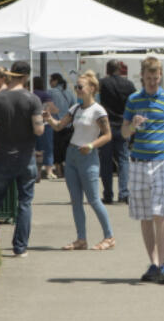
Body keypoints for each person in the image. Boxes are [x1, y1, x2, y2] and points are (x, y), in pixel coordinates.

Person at [122, 56, 164, 283]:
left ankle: (163, 264)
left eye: (155, 78)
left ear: (160, 77)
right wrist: (132, 125)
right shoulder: (133, 100)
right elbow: (124, 133)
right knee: (145, 215)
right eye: (148, 78)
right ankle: (153, 262)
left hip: (162, 161)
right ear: (142, 77)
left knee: (160, 213)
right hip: (138, 161)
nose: (151, 83)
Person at [0, 61, 44, 257]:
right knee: (24, 202)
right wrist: (44, 121)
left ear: (10, 76)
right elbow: (38, 130)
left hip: (3, 156)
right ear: (26, 77)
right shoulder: (33, 100)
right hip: (26, 156)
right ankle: (20, 247)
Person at [47, 70, 115, 251]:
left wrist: (92, 145)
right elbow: (59, 126)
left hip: (88, 156)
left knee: (93, 199)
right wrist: (49, 119)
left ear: (92, 88)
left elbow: (108, 135)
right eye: (76, 86)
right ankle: (81, 239)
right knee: (75, 200)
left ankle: (109, 237)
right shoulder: (75, 108)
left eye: (80, 86)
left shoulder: (98, 110)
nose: (77, 89)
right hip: (72, 155)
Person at [99, 59, 136, 203]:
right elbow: (134, 101)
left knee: (106, 162)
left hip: (106, 125)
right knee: (123, 160)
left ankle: (108, 195)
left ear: (107, 70)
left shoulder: (103, 83)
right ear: (120, 69)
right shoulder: (128, 84)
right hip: (123, 125)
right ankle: (124, 193)